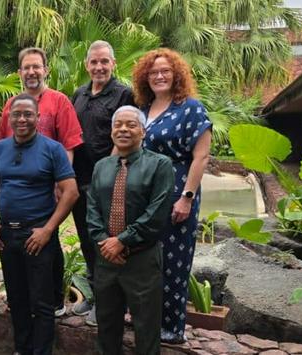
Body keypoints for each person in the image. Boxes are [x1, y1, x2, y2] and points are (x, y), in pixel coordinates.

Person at [132, 48, 213, 344]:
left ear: (176, 74)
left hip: (177, 191)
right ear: (146, 78)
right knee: (145, 262)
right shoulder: (142, 109)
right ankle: (146, 322)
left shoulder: (190, 108)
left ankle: (171, 328)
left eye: (165, 71)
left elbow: (201, 156)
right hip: (145, 196)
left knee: (173, 262)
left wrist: (187, 197)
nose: (159, 76)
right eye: (153, 72)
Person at [0, 94, 79, 355]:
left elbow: (71, 192)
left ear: (38, 118)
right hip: (7, 234)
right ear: (9, 118)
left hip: (37, 234)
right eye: (17, 114)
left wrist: (48, 230)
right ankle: (22, 349)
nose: (22, 119)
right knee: (16, 298)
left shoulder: (52, 149)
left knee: (41, 301)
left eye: (28, 114)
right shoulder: (1, 148)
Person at [0, 47, 83, 317]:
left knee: (49, 244)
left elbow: (69, 144)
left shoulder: (59, 101)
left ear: (46, 69)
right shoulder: (11, 105)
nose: (32, 72)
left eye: (37, 66)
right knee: (16, 249)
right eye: (26, 67)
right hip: (18, 191)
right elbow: (3, 144)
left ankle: (53, 301)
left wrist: (60, 183)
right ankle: (19, 299)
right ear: (19, 72)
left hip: (50, 186)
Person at [87, 106, 174, 355]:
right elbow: (92, 210)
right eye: (118, 125)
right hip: (106, 260)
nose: (123, 129)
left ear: (143, 132)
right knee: (106, 326)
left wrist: (122, 241)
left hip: (142, 260)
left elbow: (157, 213)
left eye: (131, 124)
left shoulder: (160, 166)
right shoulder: (101, 167)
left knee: (146, 328)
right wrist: (106, 242)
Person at [69, 40, 135, 325]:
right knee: (86, 238)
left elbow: (123, 137)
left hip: (108, 183)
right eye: (94, 62)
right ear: (86, 65)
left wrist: (103, 176)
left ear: (113, 63)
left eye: (104, 61)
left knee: (107, 242)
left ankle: (111, 305)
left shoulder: (124, 94)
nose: (99, 67)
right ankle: (95, 296)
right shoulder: (79, 94)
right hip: (79, 182)